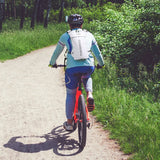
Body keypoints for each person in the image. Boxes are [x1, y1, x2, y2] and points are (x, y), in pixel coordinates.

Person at [49, 14, 104, 131]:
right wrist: (101, 64)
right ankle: (89, 94)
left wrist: (52, 63)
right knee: (87, 75)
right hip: (88, 65)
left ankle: (69, 123)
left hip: (72, 69)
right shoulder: (89, 35)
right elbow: (97, 52)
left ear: (69, 25)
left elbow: (57, 52)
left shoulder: (65, 36)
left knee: (70, 94)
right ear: (82, 24)